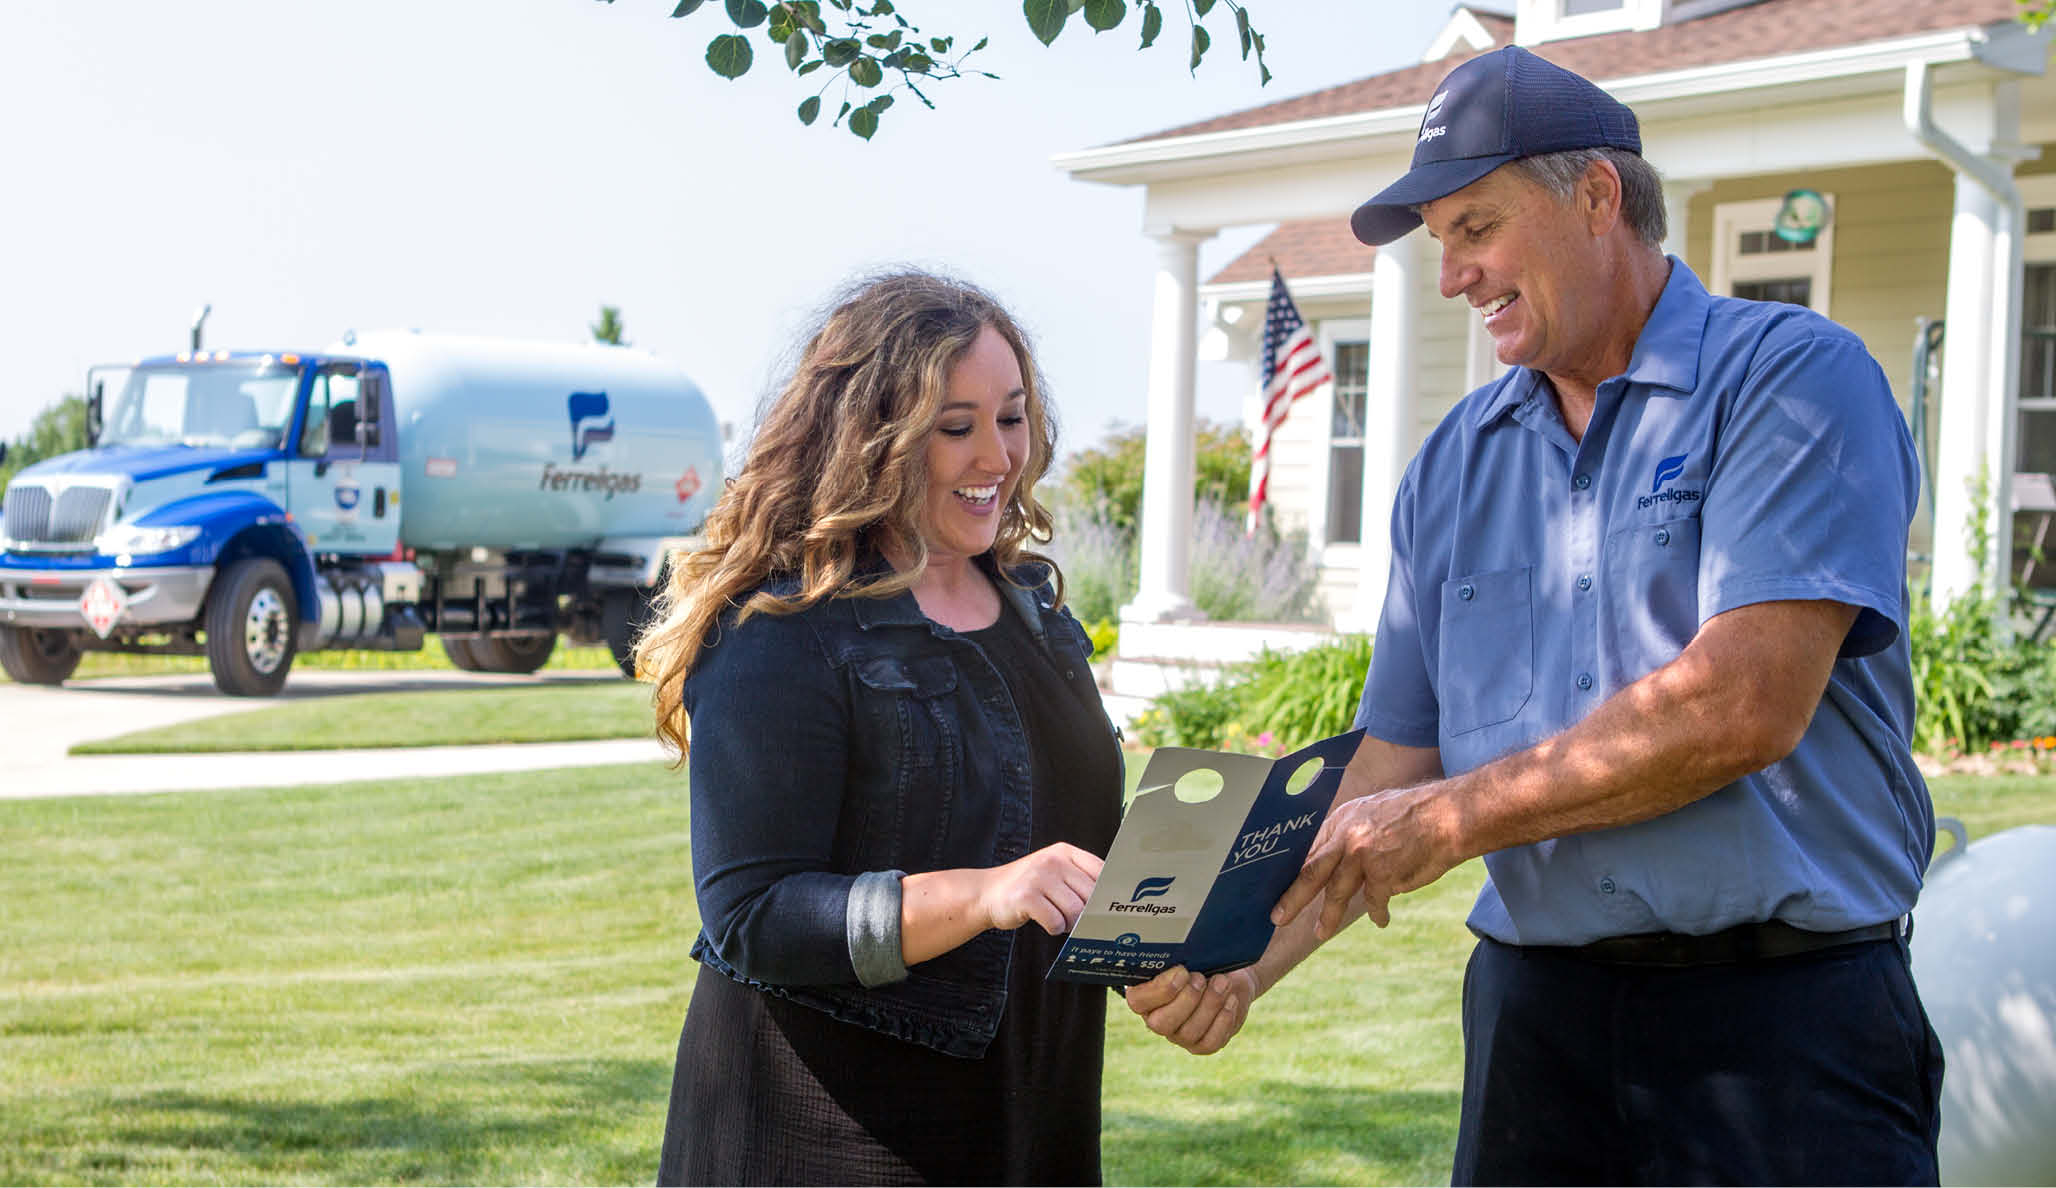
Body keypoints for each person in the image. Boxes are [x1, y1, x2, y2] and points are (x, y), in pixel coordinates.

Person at [1125, 44, 1942, 1185]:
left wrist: (1451, 820)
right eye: (1441, 242)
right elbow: (1391, 767)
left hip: (1785, 1029)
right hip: (1535, 1031)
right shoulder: (1450, 469)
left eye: (1476, 228)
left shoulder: (1791, 381)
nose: (1452, 274)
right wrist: (1238, 959)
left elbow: (1742, 705)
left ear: (1597, 197)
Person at [635, 270, 1124, 1186]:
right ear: (869, 439)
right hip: (825, 1138)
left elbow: (1071, 852)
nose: (997, 456)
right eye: (955, 427)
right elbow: (752, 915)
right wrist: (984, 895)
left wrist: (1185, 933)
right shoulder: (779, 631)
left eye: (1011, 417)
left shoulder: (1034, 615)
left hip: (1028, 1117)